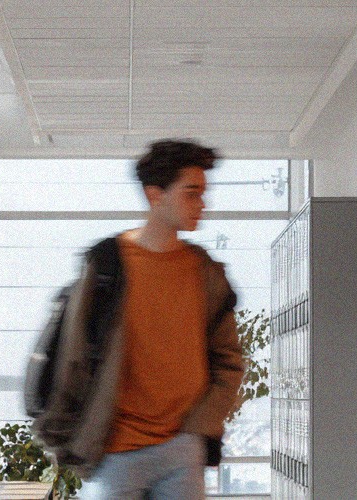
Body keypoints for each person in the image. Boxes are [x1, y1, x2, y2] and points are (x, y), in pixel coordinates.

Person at [33, 140, 245, 499]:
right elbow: (74, 353)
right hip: (115, 452)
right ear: (155, 195)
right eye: (191, 192)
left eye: (204, 193)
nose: (202, 204)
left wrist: (198, 428)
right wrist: (66, 437)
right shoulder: (106, 265)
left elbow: (229, 360)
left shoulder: (205, 272)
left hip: (183, 448)